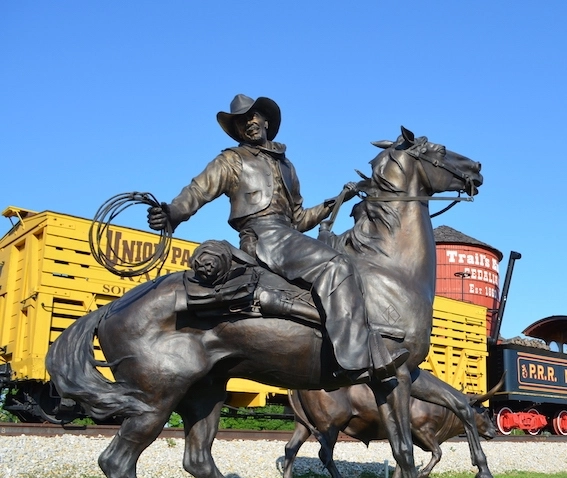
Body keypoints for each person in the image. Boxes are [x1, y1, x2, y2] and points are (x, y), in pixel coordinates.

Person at [147, 94, 408, 384]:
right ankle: (355, 359)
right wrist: (172, 213)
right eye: (241, 121)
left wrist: (333, 203)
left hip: (286, 234)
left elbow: (297, 218)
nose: (249, 123)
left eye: (253, 116)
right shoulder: (231, 160)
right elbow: (197, 191)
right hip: (262, 237)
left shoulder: (287, 167)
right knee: (336, 265)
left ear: (266, 120)